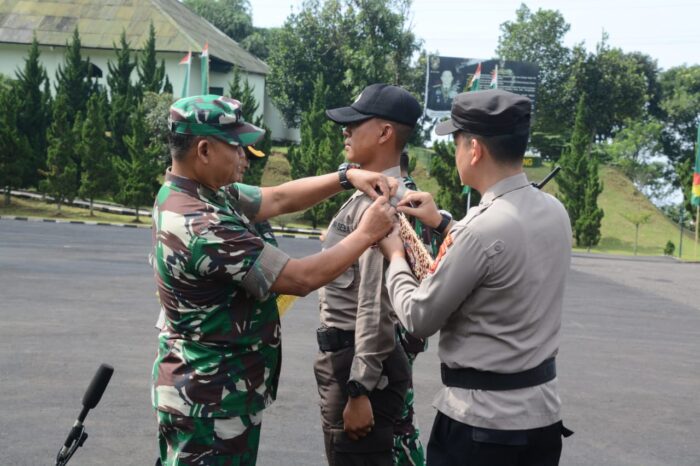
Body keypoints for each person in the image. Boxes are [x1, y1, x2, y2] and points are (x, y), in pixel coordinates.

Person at [151, 95, 398, 466]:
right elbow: (301, 278)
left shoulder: (201, 194)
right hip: (210, 402)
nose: (243, 157)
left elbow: (279, 198)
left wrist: (346, 177)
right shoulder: (202, 224)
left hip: (214, 392)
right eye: (235, 147)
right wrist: (366, 234)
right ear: (203, 150)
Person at [378, 89, 574, 466]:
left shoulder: (479, 231)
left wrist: (395, 255)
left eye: (455, 143)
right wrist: (442, 223)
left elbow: (419, 318)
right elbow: (504, 251)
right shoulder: (554, 210)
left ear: (474, 149)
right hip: (541, 416)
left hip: (482, 427)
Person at [315, 83, 421, 466]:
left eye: (355, 123)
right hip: (351, 358)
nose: (345, 130)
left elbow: (378, 304)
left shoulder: (384, 202)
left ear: (384, 133)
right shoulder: (368, 191)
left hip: (359, 365)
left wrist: (359, 388)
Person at [391, 150, 441, 466]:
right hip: (409, 326)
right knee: (400, 414)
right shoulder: (418, 197)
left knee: (395, 421)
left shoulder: (398, 201)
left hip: (394, 326)